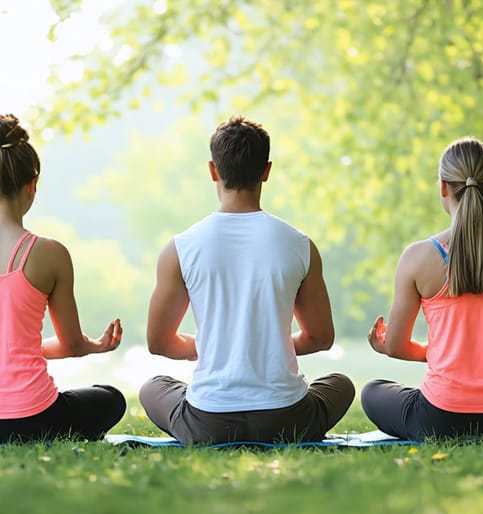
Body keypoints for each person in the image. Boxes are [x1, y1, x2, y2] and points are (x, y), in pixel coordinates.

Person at [140, 115, 355, 444]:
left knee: (153, 387)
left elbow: (159, 341)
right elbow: (320, 337)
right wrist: (264, 345)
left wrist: (221, 346)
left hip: (208, 422)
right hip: (287, 420)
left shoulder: (179, 248)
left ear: (213, 170)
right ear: (266, 171)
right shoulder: (299, 245)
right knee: (341, 384)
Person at [0, 113, 126, 443]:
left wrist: (9, 351)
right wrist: (97, 345)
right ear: (32, 185)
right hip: (33, 421)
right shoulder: (52, 254)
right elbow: (73, 345)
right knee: (110, 398)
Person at [361, 136, 483, 441]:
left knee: (372, 392)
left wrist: (447, 355)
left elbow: (397, 346)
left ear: (442, 187)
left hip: (439, 420)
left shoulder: (416, 257)